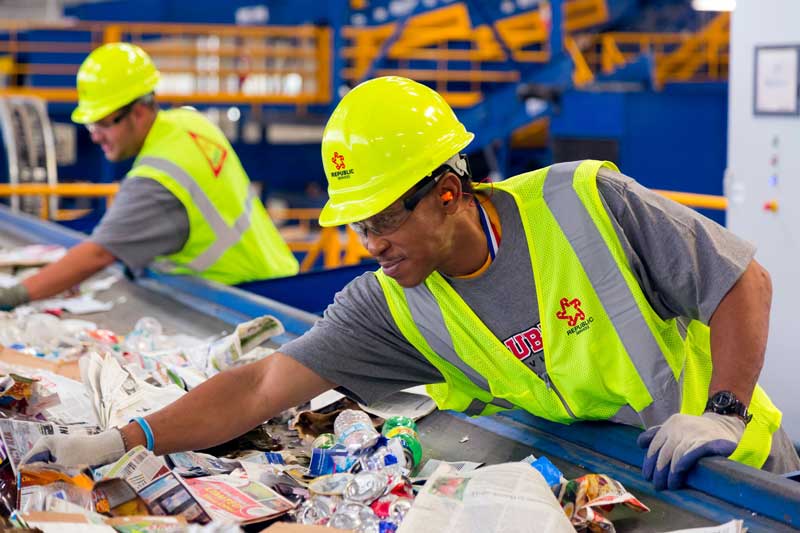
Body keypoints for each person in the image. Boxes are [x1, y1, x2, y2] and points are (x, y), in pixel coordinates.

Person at [25, 76, 799, 491]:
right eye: (356, 226)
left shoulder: (588, 204)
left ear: (448, 194)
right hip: (630, 483)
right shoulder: (394, 300)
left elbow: (743, 282)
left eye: (382, 221)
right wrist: (128, 436)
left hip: (741, 474)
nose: (370, 245)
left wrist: (723, 413)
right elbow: (263, 383)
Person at [0, 43, 298, 309]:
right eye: (92, 126)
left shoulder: (157, 178)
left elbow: (97, 255)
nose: (95, 137)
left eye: (103, 123)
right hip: (282, 275)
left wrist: (13, 297)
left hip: (244, 301)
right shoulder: (189, 122)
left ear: (140, 111)